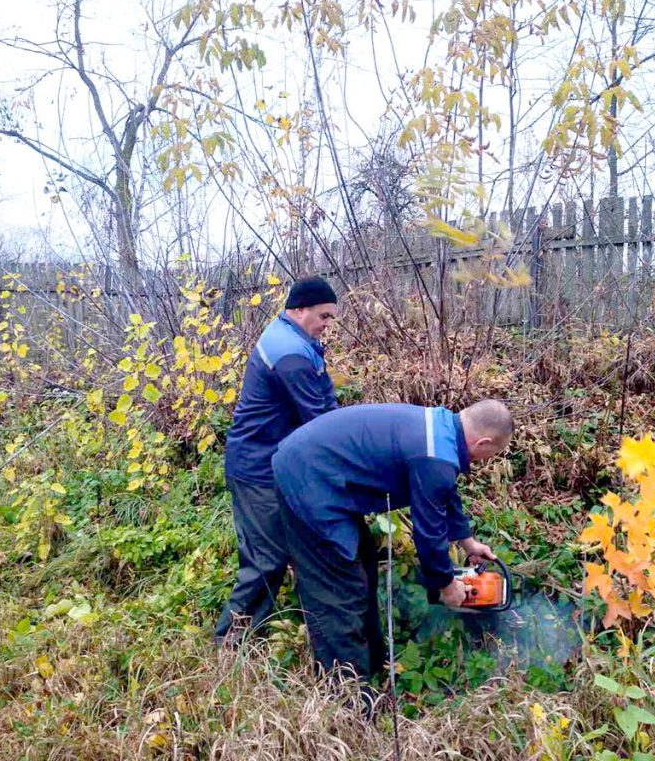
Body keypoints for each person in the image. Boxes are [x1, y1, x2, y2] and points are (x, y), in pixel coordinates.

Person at [272, 399, 513, 680]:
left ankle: (373, 669)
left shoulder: (442, 428)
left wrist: (467, 542)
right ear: (483, 443)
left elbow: (443, 494)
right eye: (491, 454)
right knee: (338, 590)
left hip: (324, 474)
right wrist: (447, 587)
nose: (486, 461)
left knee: (364, 569)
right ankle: (346, 697)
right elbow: (428, 533)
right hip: (308, 478)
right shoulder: (436, 457)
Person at [214, 276, 340, 642]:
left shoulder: (297, 341)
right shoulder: (289, 353)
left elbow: (325, 403)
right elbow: (319, 419)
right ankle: (229, 645)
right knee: (265, 560)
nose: (327, 324)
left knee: (281, 552)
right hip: (256, 469)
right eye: (324, 316)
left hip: (272, 464)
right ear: (299, 310)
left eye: (331, 317)